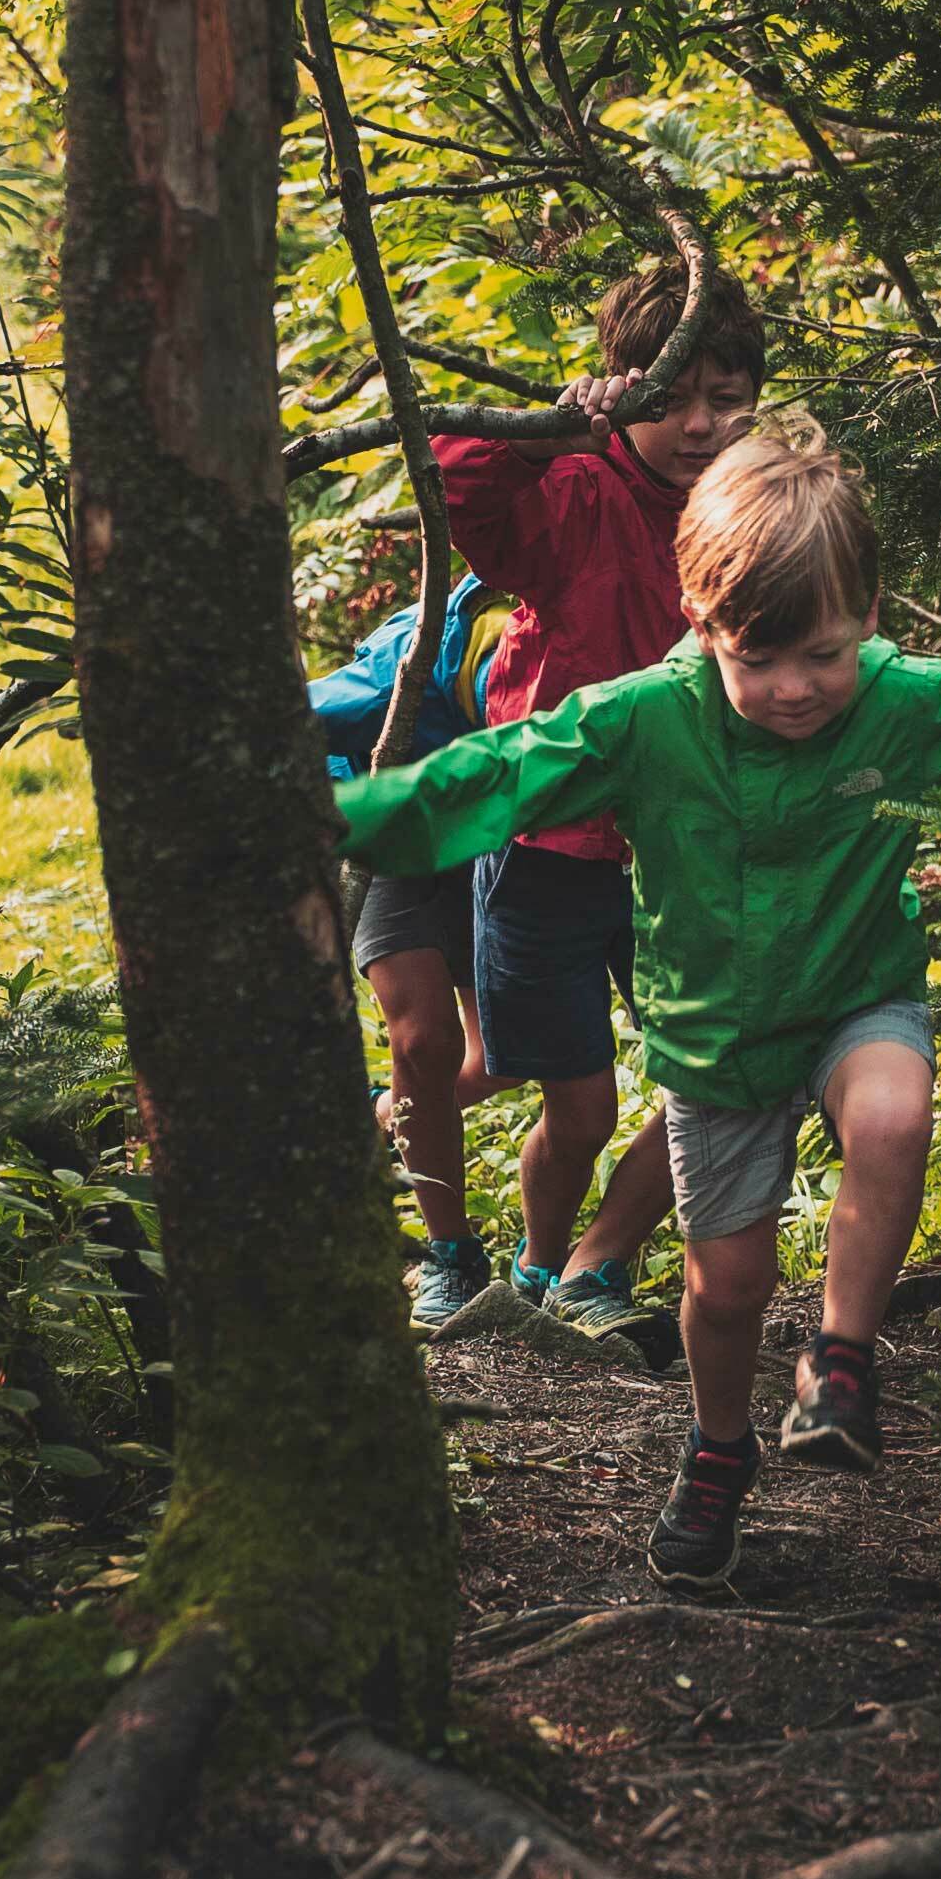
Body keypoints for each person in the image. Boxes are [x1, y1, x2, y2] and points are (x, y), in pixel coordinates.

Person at [338, 418, 941, 1592]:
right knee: (727, 1289)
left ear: (870, 617)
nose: (797, 689)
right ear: (700, 621)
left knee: (893, 1118)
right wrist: (339, 817)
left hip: (857, 996)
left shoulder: (896, 699)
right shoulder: (644, 716)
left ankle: (841, 1363)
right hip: (716, 1036)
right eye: (760, 660)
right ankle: (718, 1447)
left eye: (827, 656)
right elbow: (493, 775)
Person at [430, 258, 771, 1365]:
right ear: (619, 389)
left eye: (724, 399)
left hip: (695, 848)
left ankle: (596, 1266)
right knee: (573, 1107)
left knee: (730, 1067)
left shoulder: (759, 511)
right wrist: (546, 433)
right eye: (666, 399)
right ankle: (534, 1266)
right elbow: (463, 488)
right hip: (551, 846)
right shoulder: (574, 493)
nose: (698, 425)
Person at [309, 571, 521, 1333]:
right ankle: (447, 1253)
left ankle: (366, 1122)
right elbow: (297, 716)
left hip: (496, 846)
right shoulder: (412, 653)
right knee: (424, 1041)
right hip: (392, 839)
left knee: (506, 1055)